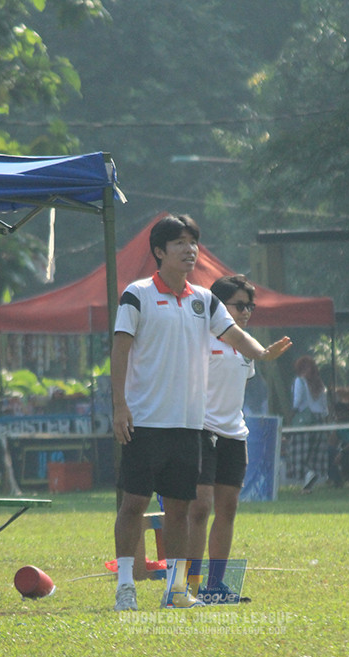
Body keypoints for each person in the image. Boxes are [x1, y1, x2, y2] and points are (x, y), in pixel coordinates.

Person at [111, 215, 291, 612]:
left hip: (190, 426)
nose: (189, 249)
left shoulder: (204, 300)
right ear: (159, 252)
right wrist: (120, 407)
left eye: (192, 241)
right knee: (133, 506)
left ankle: (176, 589)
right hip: (144, 423)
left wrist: (261, 352)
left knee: (179, 510)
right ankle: (126, 586)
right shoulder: (136, 295)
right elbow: (120, 350)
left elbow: (234, 334)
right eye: (179, 242)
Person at [188, 275, 257, 604]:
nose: (245, 312)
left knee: (227, 509)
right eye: (239, 305)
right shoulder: (199, 338)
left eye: (250, 306)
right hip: (201, 432)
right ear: (218, 306)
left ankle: (217, 586)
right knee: (199, 508)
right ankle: (188, 587)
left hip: (234, 435)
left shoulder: (247, 346)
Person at [288, 355, 329, 490]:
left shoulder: (300, 381)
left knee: (297, 452)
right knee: (313, 454)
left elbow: (297, 401)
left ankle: (307, 474)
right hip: (319, 422)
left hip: (304, 421)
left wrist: (292, 414)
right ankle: (308, 484)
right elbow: (325, 408)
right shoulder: (321, 384)